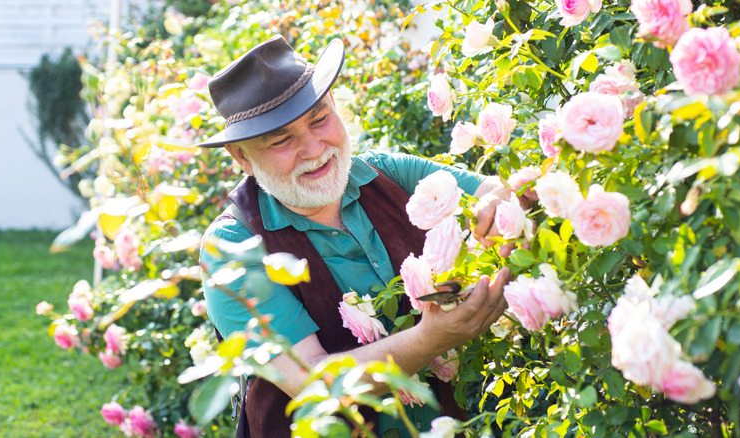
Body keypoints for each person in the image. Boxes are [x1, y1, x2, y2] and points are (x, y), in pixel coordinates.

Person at [197, 35, 513, 438]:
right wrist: (429, 340)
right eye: (282, 140)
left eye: (319, 119)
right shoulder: (232, 248)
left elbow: (501, 192)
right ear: (242, 157)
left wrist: (499, 207)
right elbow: (310, 381)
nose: (314, 148)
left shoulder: (389, 174)